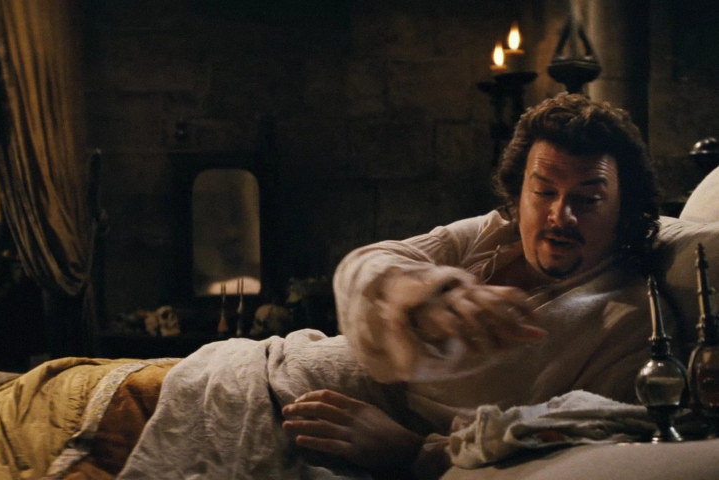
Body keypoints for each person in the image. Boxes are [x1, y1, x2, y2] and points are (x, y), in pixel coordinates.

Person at [279, 92, 664, 477]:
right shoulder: (491, 235)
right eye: (544, 192)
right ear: (518, 196)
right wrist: (423, 296)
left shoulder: (631, 323)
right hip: (271, 370)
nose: (561, 216)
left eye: (589, 199)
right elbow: (365, 263)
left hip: (304, 442)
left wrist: (415, 451)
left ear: (624, 210)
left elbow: (582, 434)